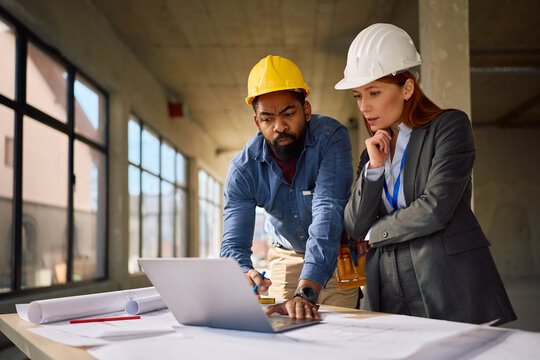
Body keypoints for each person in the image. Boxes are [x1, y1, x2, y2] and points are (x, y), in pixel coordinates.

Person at [335, 23, 516, 325]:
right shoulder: (372, 151)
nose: (364, 106)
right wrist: (374, 170)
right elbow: (354, 224)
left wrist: (376, 233)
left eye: (374, 92)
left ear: (407, 88)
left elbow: (435, 209)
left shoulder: (449, 128)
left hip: (447, 281)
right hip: (389, 287)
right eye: (357, 96)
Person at [220, 55, 358, 319]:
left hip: (337, 254)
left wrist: (306, 290)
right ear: (257, 122)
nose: (279, 126)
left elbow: (328, 209)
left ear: (305, 111)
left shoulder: (331, 138)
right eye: (267, 118)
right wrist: (243, 272)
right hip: (286, 257)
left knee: (342, 332)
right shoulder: (243, 169)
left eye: (288, 113)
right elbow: (234, 244)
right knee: (284, 330)